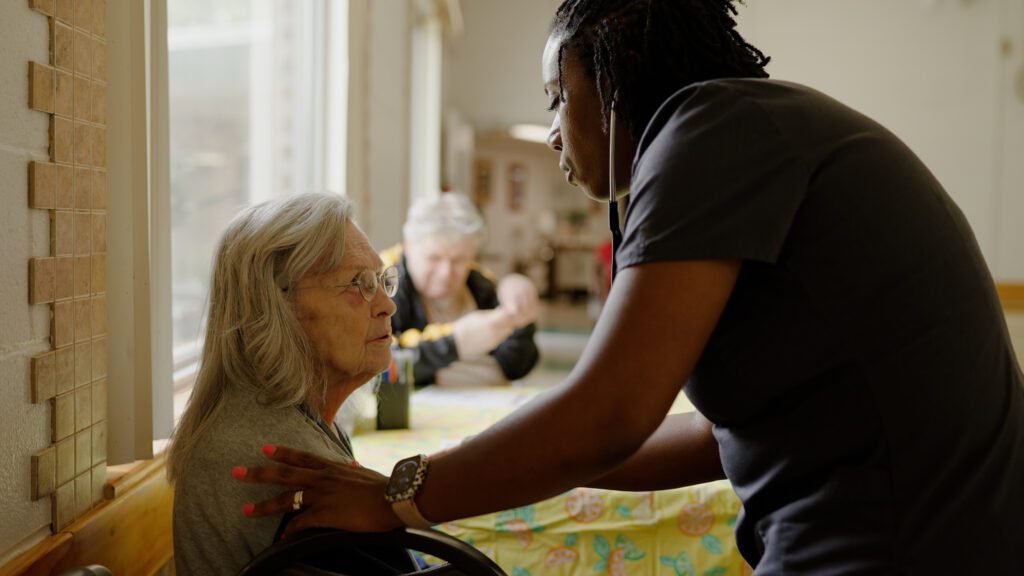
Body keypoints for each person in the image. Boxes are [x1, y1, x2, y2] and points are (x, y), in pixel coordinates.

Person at [233, 1, 1024, 573]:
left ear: (610, 80)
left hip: (901, 545)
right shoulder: (752, 130)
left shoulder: (707, 128)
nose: (550, 130)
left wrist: (397, 496)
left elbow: (610, 414)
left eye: (556, 95)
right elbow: (715, 437)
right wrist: (514, 455)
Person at [166, 192, 406, 575]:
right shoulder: (273, 452)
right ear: (276, 308)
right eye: (357, 284)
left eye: (380, 280)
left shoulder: (294, 416)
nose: (387, 305)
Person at [381, 193, 540, 387]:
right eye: (434, 258)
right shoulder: (385, 284)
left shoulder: (480, 284)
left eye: (458, 260)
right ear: (408, 245)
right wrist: (455, 344)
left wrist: (522, 321)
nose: (445, 273)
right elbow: (377, 366)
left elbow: (517, 367)